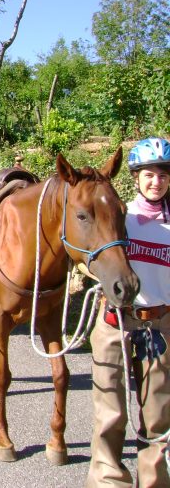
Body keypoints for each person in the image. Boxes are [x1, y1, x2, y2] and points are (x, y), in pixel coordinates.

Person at [87, 137, 170, 487]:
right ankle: (108, 480)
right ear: (136, 178)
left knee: (159, 417)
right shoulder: (120, 217)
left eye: (163, 175)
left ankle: (155, 481)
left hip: (160, 324)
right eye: (149, 175)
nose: (156, 181)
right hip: (116, 321)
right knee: (110, 414)